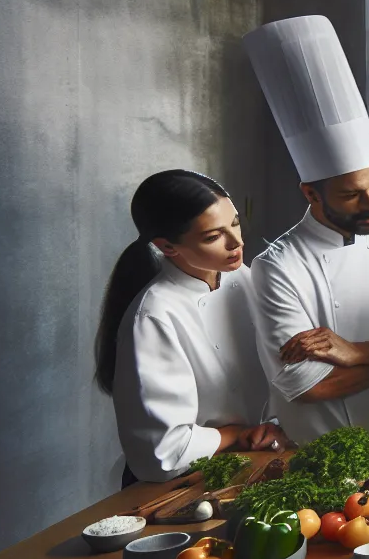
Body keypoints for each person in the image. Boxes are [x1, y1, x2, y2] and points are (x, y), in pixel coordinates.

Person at [245, 15, 369, 449]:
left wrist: (353, 351)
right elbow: (310, 385)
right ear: (311, 193)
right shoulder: (277, 267)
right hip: (320, 452)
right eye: (351, 194)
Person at [96, 171, 286, 485]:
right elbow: (163, 451)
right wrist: (235, 433)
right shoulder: (155, 316)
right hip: (181, 481)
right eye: (213, 236)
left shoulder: (242, 277)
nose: (236, 242)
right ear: (168, 247)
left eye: (235, 223)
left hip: (250, 460)